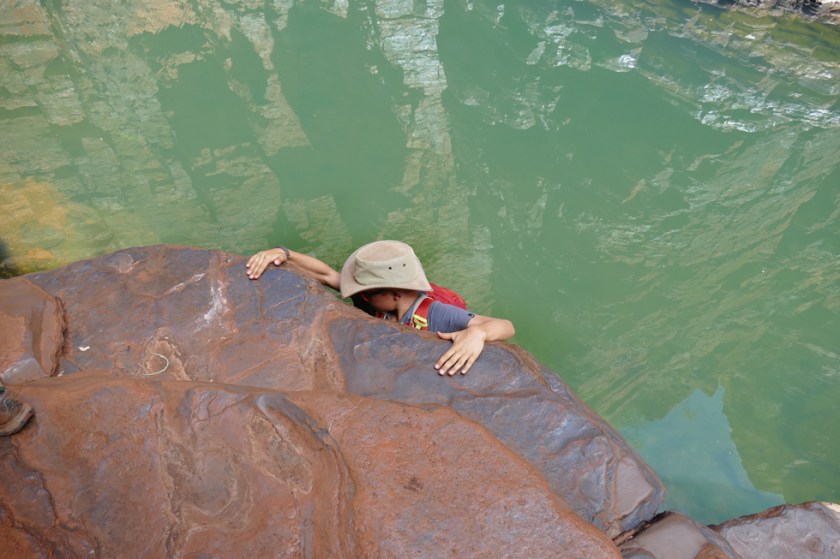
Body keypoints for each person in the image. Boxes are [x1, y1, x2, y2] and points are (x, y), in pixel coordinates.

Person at [247, 240, 515, 376]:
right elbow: (329, 276)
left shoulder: (435, 313)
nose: (358, 295)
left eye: (366, 291)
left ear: (396, 293)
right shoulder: (377, 299)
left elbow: (505, 326)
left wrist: (477, 334)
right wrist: (284, 254)